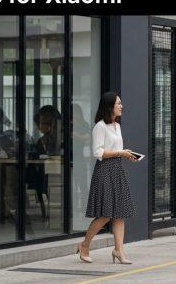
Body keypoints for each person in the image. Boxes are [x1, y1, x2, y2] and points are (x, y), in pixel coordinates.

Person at [77, 92, 140, 264]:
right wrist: (120, 153)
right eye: (118, 103)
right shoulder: (100, 126)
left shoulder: (117, 126)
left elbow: (116, 149)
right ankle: (84, 245)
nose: (121, 106)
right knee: (105, 214)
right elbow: (98, 152)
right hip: (104, 170)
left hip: (117, 169)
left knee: (120, 213)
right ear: (109, 106)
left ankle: (118, 251)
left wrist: (127, 154)